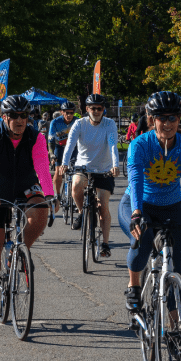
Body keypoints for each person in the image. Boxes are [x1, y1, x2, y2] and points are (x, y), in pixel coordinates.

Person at [121, 91, 181, 312]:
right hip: (138, 203)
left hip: (171, 205)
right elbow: (136, 179)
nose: (167, 123)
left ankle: (173, 323)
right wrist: (137, 213)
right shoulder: (140, 145)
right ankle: (133, 285)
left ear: (179, 119)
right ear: (151, 119)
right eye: (161, 118)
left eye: (172, 118)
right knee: (143, 239)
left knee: (176, 264)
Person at [0, 94, 53, 318]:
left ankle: (19, 251)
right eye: (13, 116)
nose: (20, 120)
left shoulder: (35, 136)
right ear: (4, 117)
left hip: (24, 183)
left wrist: (50, 195)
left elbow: (42, 165)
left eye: (24, 116)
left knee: (41, 210)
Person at [60, 93, 119, 256]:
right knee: (76, 186)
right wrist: (64, 163)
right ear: (87, 109)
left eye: (100, 108)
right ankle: (81, 212)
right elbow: (70, 145)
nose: (97, 111)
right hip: (83, 166)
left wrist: (115, 165)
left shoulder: (109, 124)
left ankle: (105, 244)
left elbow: (113, 146)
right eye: (93, 108)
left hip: (104, 169)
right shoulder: (79, 124)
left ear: (103, 109)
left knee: (103, 206)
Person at [49, 101, 78, 209]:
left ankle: (74, 195)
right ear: (62, 112)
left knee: (76, 172)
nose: (69, 115)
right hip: (59, 147)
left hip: (73, 148)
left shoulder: (77, 121)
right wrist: (52, 154)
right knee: (58, 171)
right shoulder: (55, 122)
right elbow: (50, 141)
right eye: (66, 112)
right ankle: (58, 194)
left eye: (71, 113)